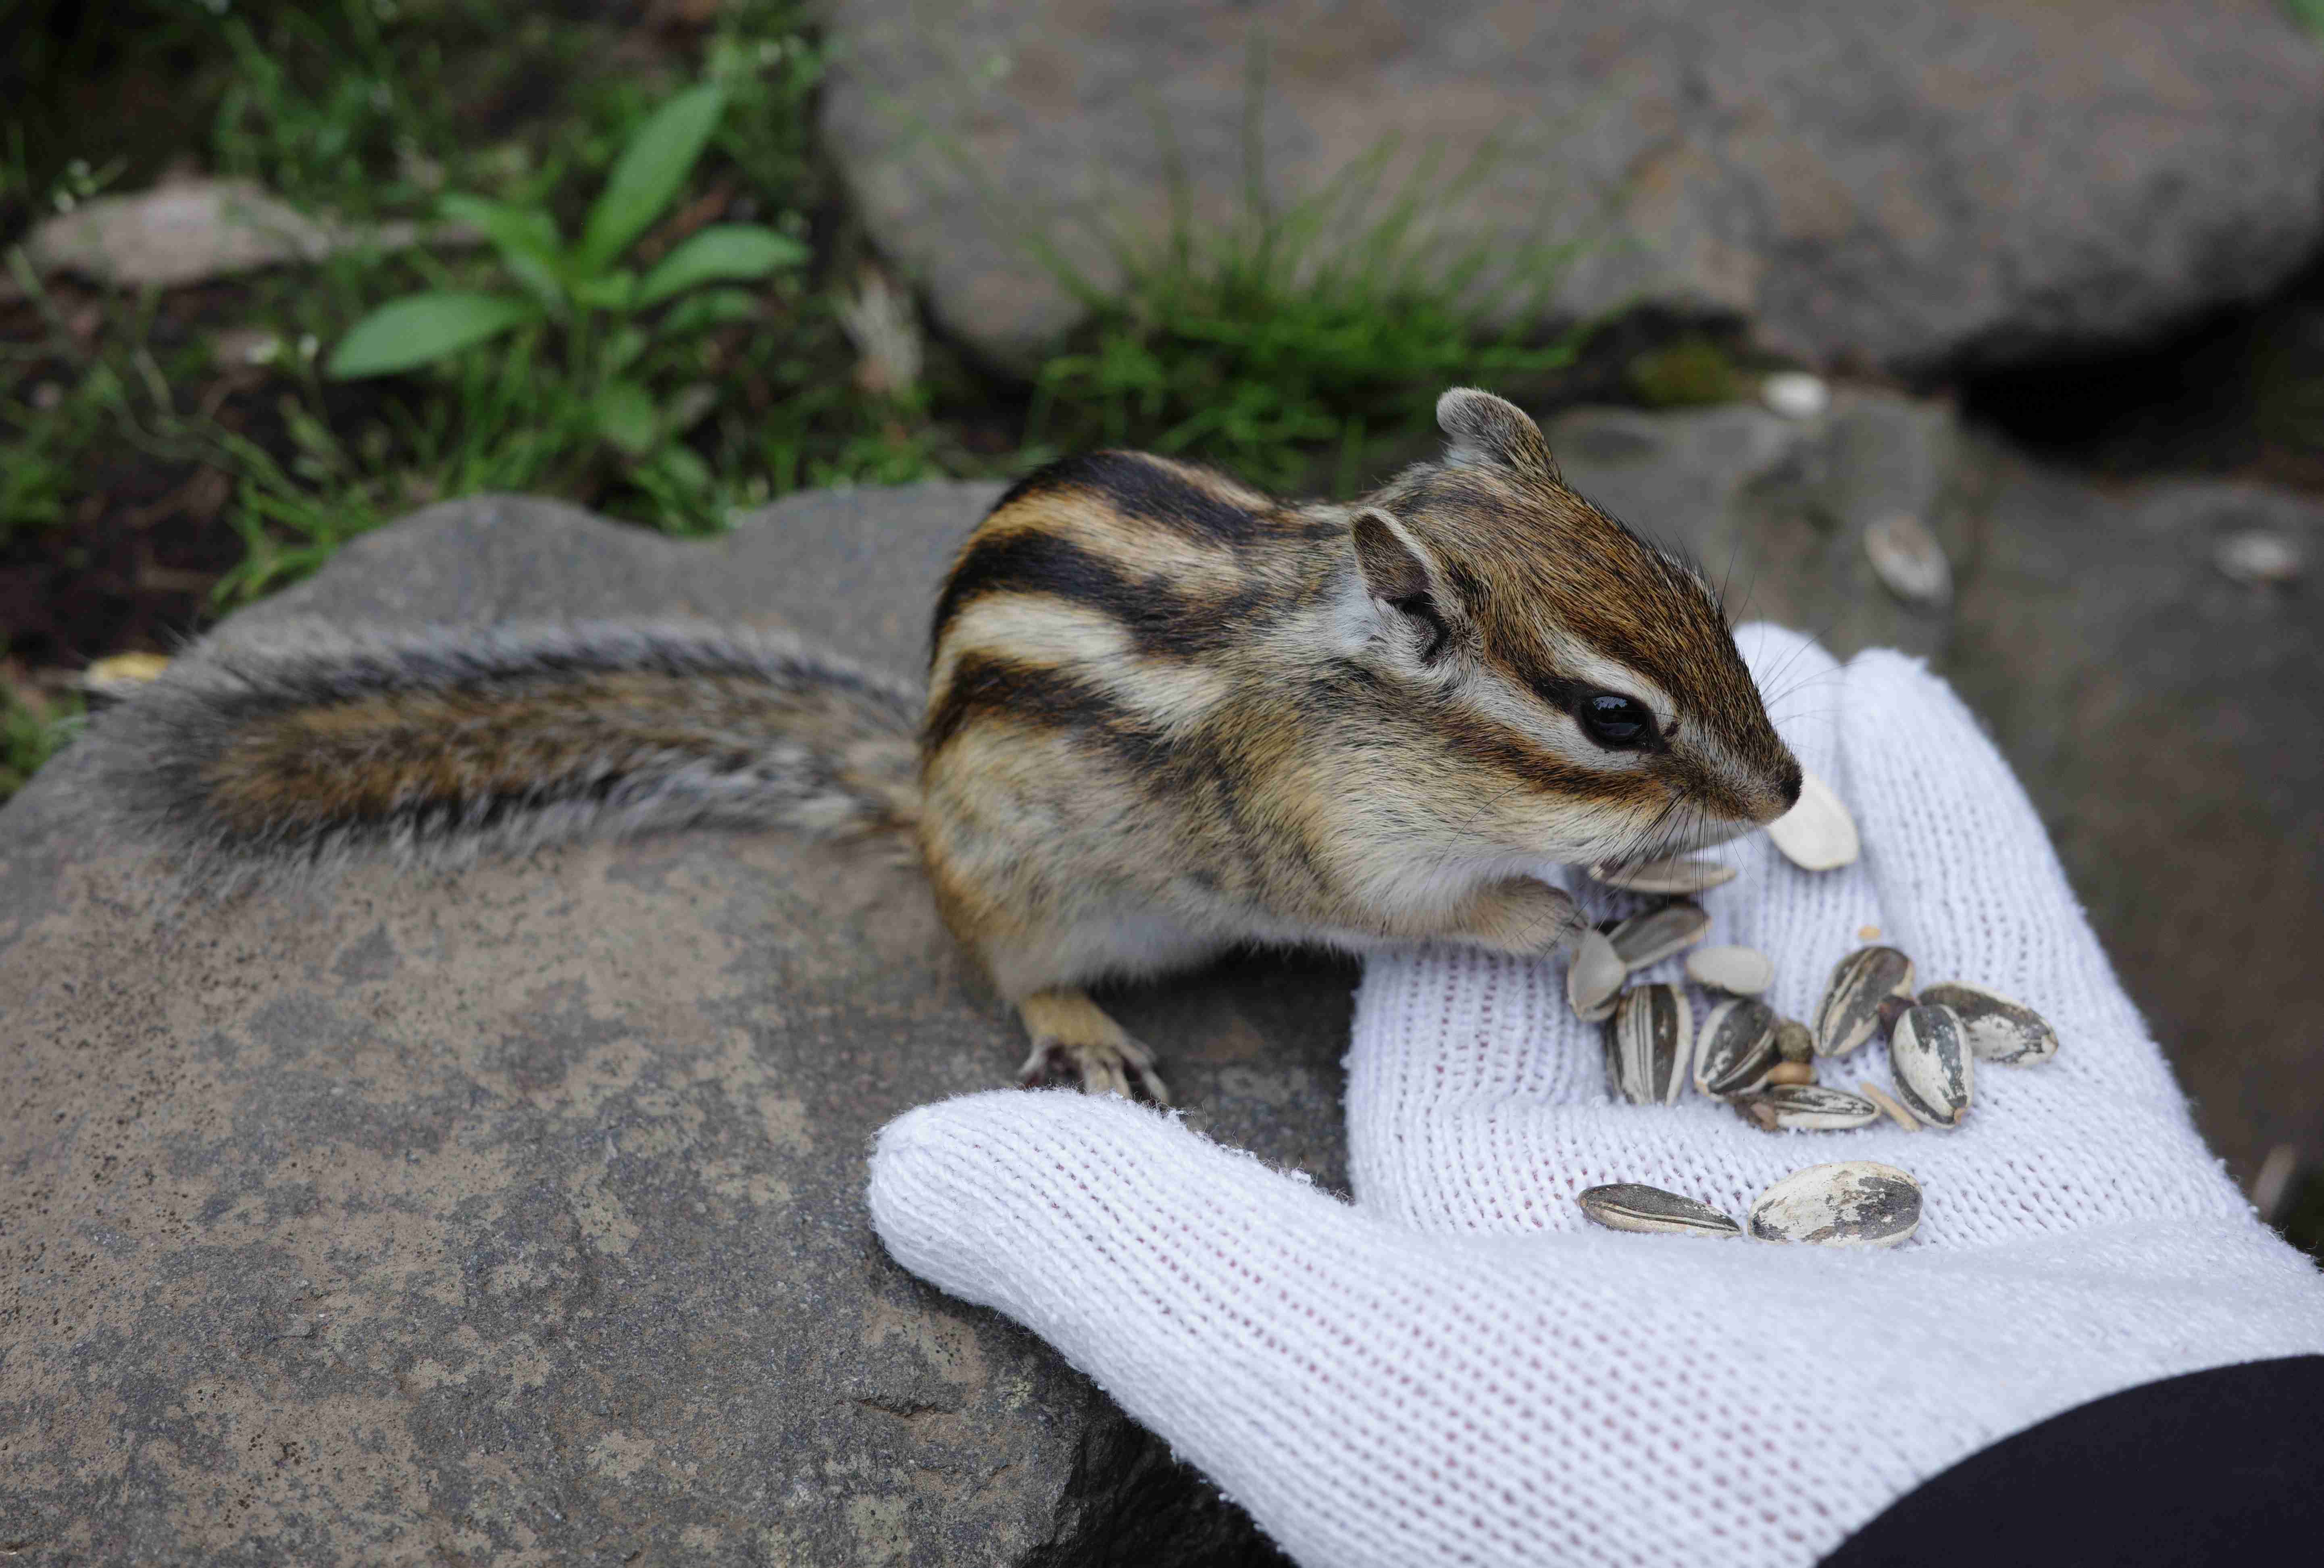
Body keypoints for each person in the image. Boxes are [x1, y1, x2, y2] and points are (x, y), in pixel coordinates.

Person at [867, 627, 2324, 1566]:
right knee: (1037, 914)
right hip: (1066, 844)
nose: (1748, 812)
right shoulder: (1312, 771)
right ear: (1411, 636)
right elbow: (1308, 876)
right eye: (1619, 730)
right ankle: (1047, 986)